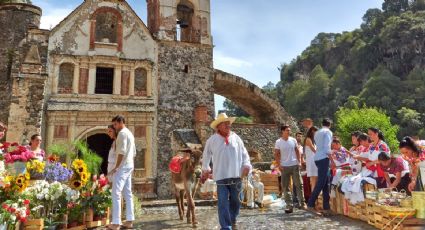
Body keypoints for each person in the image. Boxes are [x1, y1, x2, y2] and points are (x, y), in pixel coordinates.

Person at [202, 113, 251, 230]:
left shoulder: (236, 138)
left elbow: (245, 154)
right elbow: (206, 155)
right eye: (225, 123)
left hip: (236, 175)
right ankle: (226, 226)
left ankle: (232, 218)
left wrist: (246, 165)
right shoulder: (212, 140)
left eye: (229, 123)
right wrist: (206, 168)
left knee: (236, 201)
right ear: (218, 126)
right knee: (222, 202)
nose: (228, 125)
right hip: (221, 176)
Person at [108, 115, 136, 230]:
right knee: (127, 193)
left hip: (122, 167)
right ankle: (129, 220)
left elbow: (121, 152)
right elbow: (134, 153)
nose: (115, 127)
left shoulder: (122, 134)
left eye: (115, 124)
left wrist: (117, 167)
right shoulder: (130, 133)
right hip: (129, 165)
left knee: (116, 193)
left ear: (120, 122)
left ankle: (116, 223)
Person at [274, 125, 305, 213]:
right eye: (287, 130)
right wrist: (279, 164)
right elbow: (276, 154)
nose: (289, 132)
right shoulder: (278, 142)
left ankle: (302, 203)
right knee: (285, 187)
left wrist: (299, 162)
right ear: (282, 131)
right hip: (284, 167)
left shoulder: (293, 140)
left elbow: (297, 151)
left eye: (289, 130)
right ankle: (289, 205)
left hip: (294, 165)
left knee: (299, 184)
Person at [307, 118, 333, 216]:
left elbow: (319, 146)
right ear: (330, 124)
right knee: (322, 182)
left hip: (317, 158)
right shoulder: (328, 132)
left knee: (326, 183)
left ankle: (326, 207)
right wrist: (332, 160)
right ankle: (310, 203)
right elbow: (327, 148)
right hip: (324, 159)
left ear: (322, 124)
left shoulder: (317, 133)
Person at [304, 126, 318, 191]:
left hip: (315, 161)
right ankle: (314, 198)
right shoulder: (308, 139)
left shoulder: (314, 140)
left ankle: (315, 197)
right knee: (313, 180)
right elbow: (313, 149)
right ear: (312, 131)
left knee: (315, 179)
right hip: (311, 162)